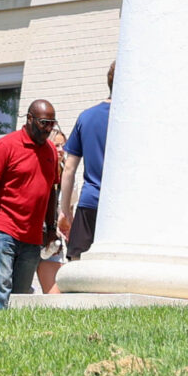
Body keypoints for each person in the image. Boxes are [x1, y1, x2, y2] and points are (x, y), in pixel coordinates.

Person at [0, 100, 61, 308]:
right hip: (3, 228)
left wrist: (51, 229)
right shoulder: (6, 145)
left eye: (52, 124)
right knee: (1, 285)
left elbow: (51, 191)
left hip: (33, 234)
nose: (48, 129)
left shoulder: (50, 150)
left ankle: (10, 328)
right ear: (30, 118)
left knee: (21, 294)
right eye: (44, 123)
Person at [60, 65, 111, 262]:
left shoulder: (87, 116)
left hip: (90, 202)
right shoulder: (135, 118)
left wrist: (65, 210)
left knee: (78, 264)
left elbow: (69, 169)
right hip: (122, 205)